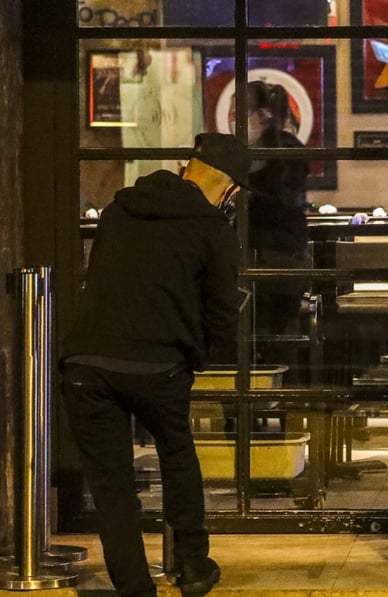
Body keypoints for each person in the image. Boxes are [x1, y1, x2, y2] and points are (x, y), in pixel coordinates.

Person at [60, 132, 248, 597]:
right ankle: (193, 565)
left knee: (112, 486)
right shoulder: (212, 229)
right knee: (177, 457)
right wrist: (198, 357)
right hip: (159, 365)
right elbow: (222, 314)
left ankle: (135, 587)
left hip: (87, 364)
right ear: (229, 190)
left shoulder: (118, 210)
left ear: (186, 167)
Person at [245, 80, 311, 343]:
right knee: (270, 336)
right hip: (269, 256)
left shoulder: (283, 152)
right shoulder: (261, 151)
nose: (235, 121)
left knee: (272, 336)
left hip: (276, 257)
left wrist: (246, 196)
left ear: (262, 115)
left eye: (240, 113)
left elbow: (284, 203)